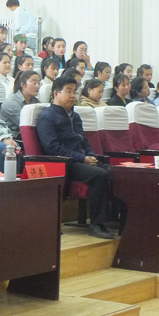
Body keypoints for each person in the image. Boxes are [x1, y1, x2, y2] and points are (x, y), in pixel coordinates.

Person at [38, 77, 118, 239]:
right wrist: (82, 159)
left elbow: (84, 141)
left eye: (74, 91)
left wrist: (91, 155)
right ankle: (97, 224)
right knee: (99, 175)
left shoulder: (75, 116)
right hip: (66, 163)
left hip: (82, 160)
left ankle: (117, 217)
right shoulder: (47, 117)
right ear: (56, 93)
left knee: (118, 172)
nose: (73, 95)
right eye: (68, 91)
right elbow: (52, 147)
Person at [0, 70, 41, 137]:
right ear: (23, 84)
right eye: (34, 83)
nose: (37, 86)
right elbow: (26, 125)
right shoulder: (12, 103)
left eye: (39, 83)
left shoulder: (35, 101)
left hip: (28, 134)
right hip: (13, 137)